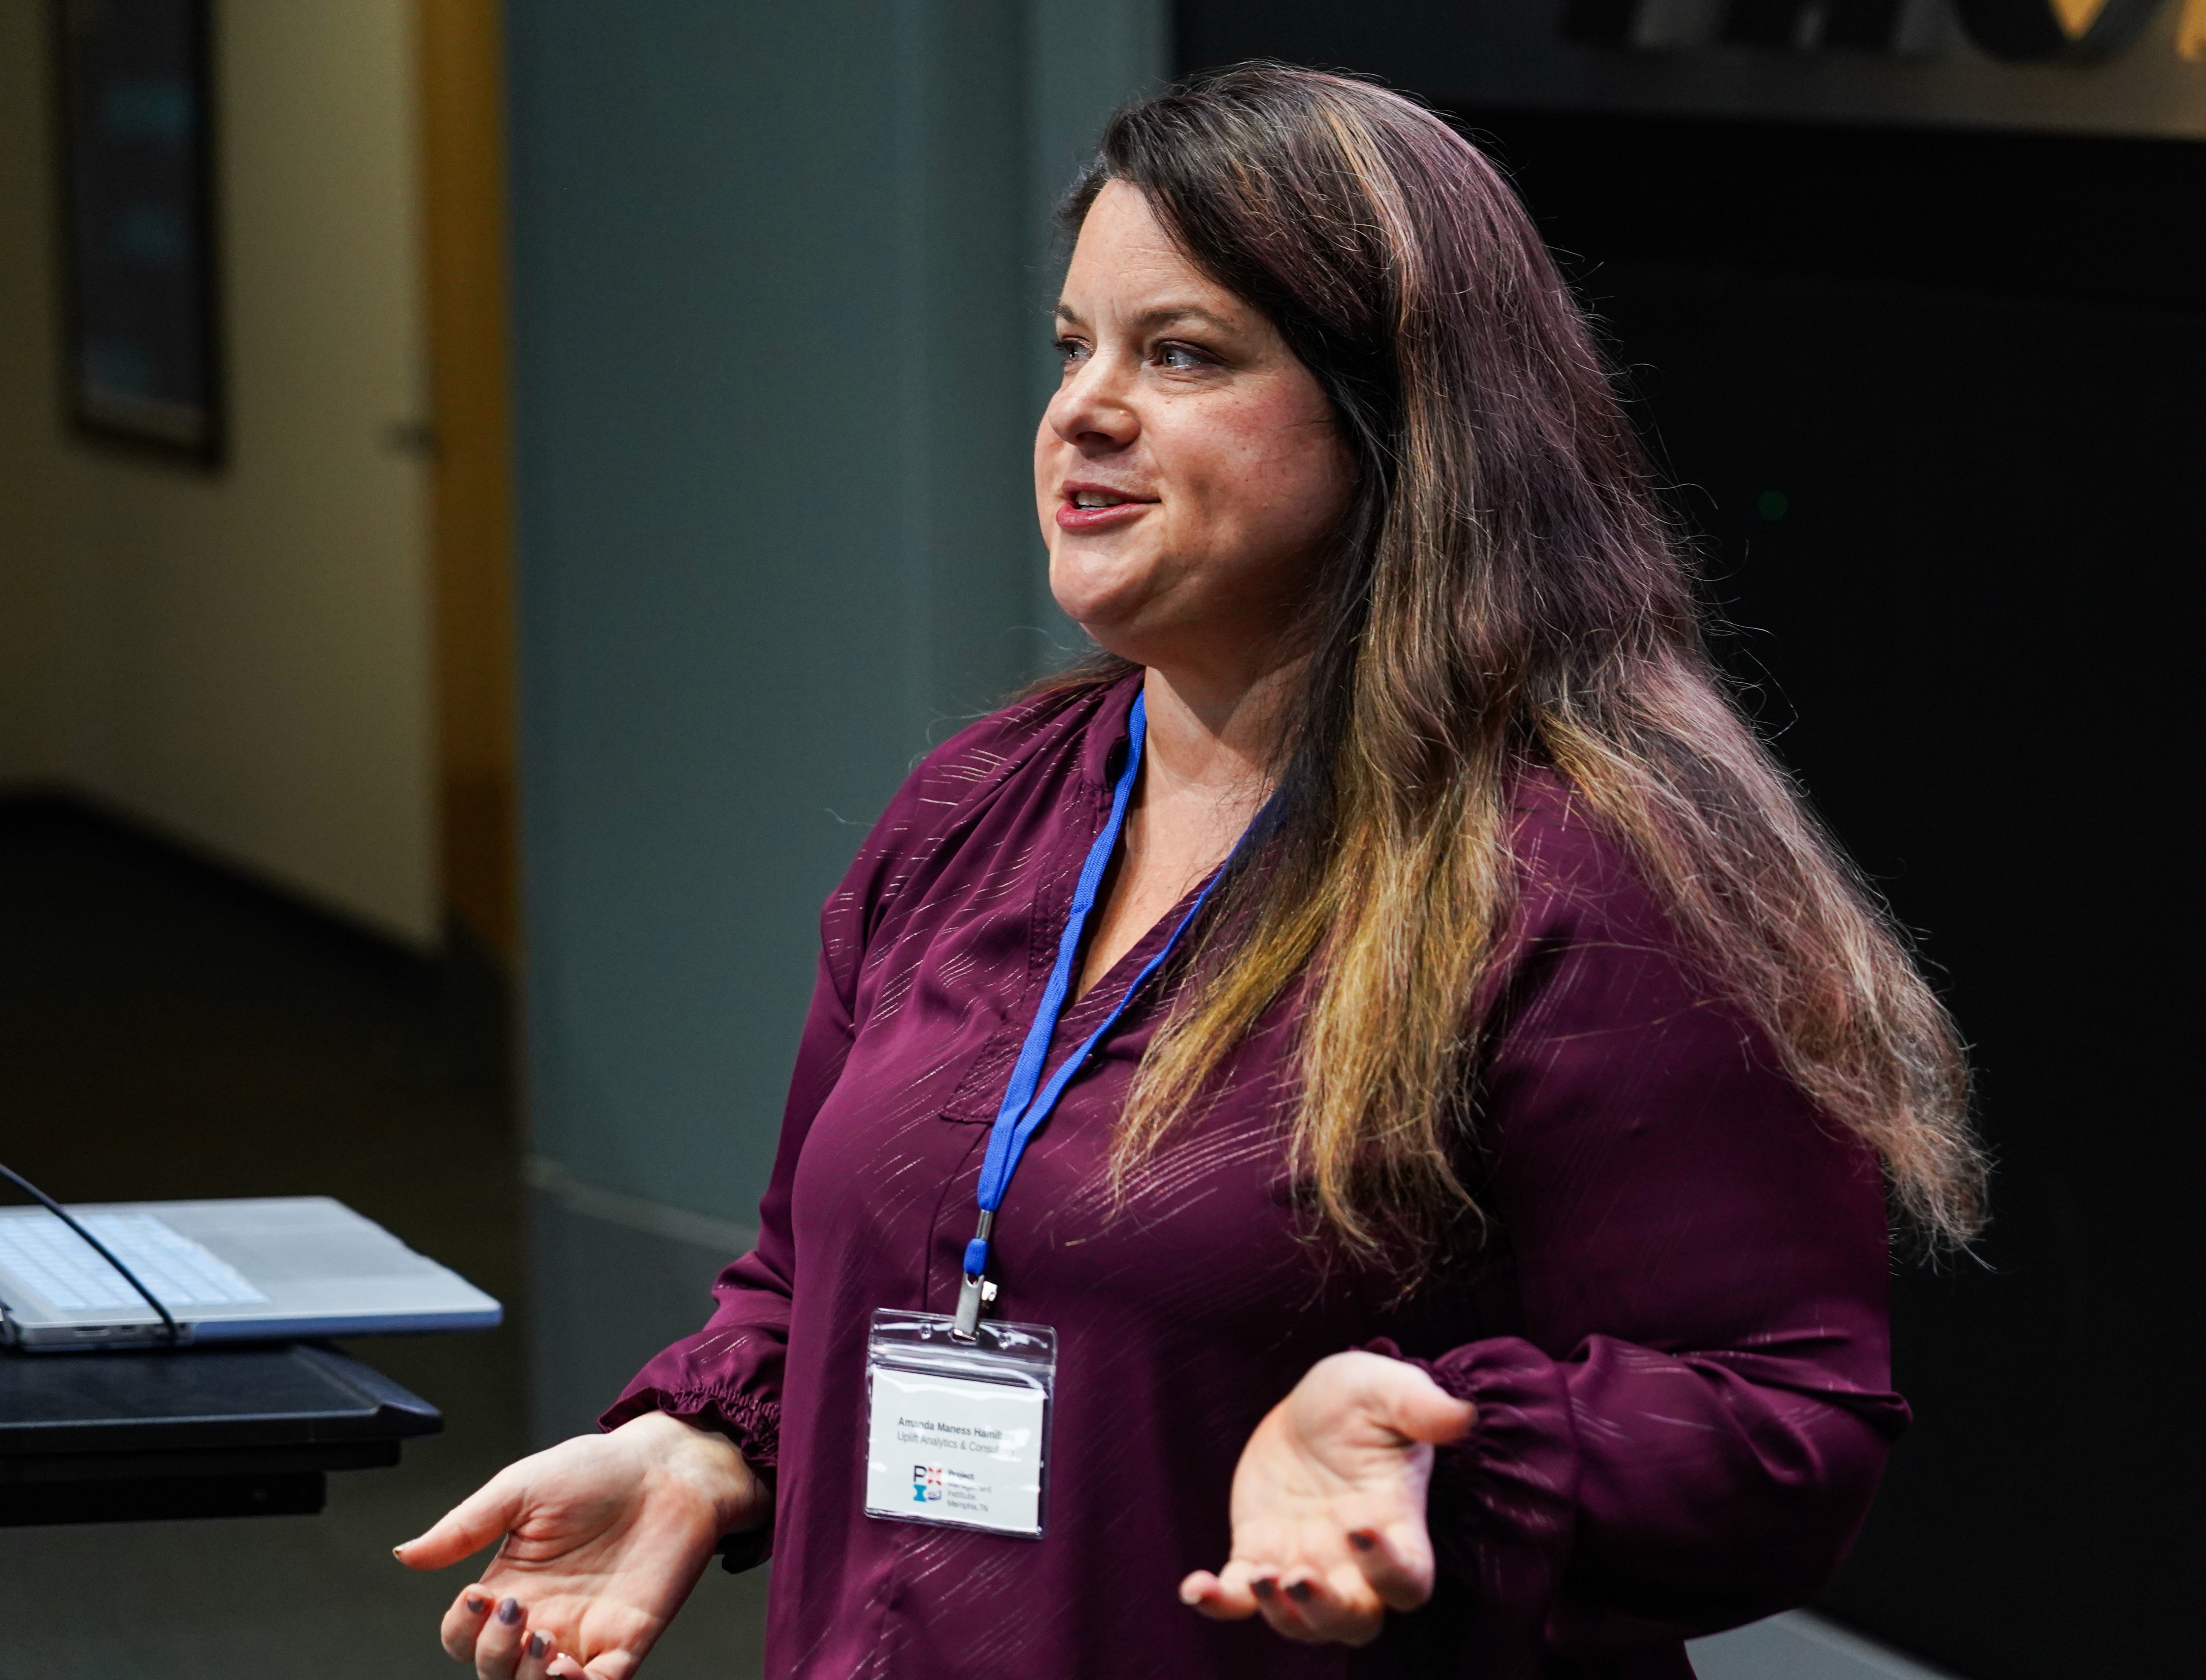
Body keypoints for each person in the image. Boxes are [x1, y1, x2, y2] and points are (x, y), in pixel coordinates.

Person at [396, 63, 1985, 1680]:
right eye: (1074, 346)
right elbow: (815, 1285)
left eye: (1183, 354)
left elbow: (1787, 1426)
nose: (1085, 408)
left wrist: (1443, 1446)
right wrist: (703, 1442)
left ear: (1398, 422)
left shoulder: (1590, 870)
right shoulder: (979, 810)